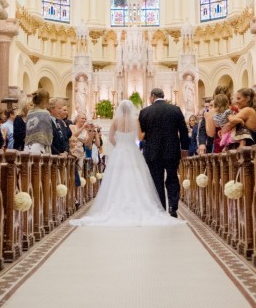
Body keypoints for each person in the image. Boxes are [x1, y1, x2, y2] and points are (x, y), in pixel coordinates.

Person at [71, 100, 182, 227]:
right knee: (135, 177)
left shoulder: (116, 121)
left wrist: (118, 145)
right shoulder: (135, 121)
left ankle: (115, 204)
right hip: (132, 151)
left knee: (117, 177)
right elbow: (139, 137)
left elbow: (111, 138)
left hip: (120, 151)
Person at [138, 87, 189, 217]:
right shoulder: (175, 110)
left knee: (157, 179)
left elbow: (142, 134)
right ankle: (173, 205)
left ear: (153, 96)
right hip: (172, 150)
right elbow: (183, 131)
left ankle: (160, 207)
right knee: (172, 177)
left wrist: (144, 145)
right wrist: (184, 149)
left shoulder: (145, 112)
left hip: (153, 152)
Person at [23, 90, 53, 155]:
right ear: (44, 100)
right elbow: (48, 131)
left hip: (28, 145)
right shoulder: (45, 113)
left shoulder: (29, 112)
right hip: (41, 145)